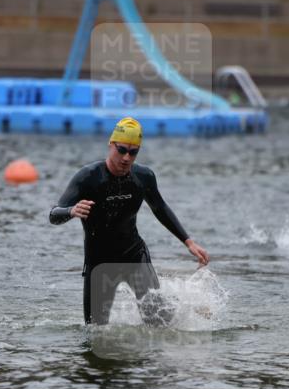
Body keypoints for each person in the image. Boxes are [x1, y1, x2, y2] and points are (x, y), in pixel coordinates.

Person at [50, 117, 209, 325]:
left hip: (134, 256)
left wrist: (188, 242)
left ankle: (189, 311)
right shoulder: (88, 177)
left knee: (158, 322)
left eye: (133, 152)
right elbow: (53, 215)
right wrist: (71, 210)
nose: (126, 157)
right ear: (111, 145)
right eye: (122, 150)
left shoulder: (143, 177)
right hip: (99, 263)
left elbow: (160, 208)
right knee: (94, 333)